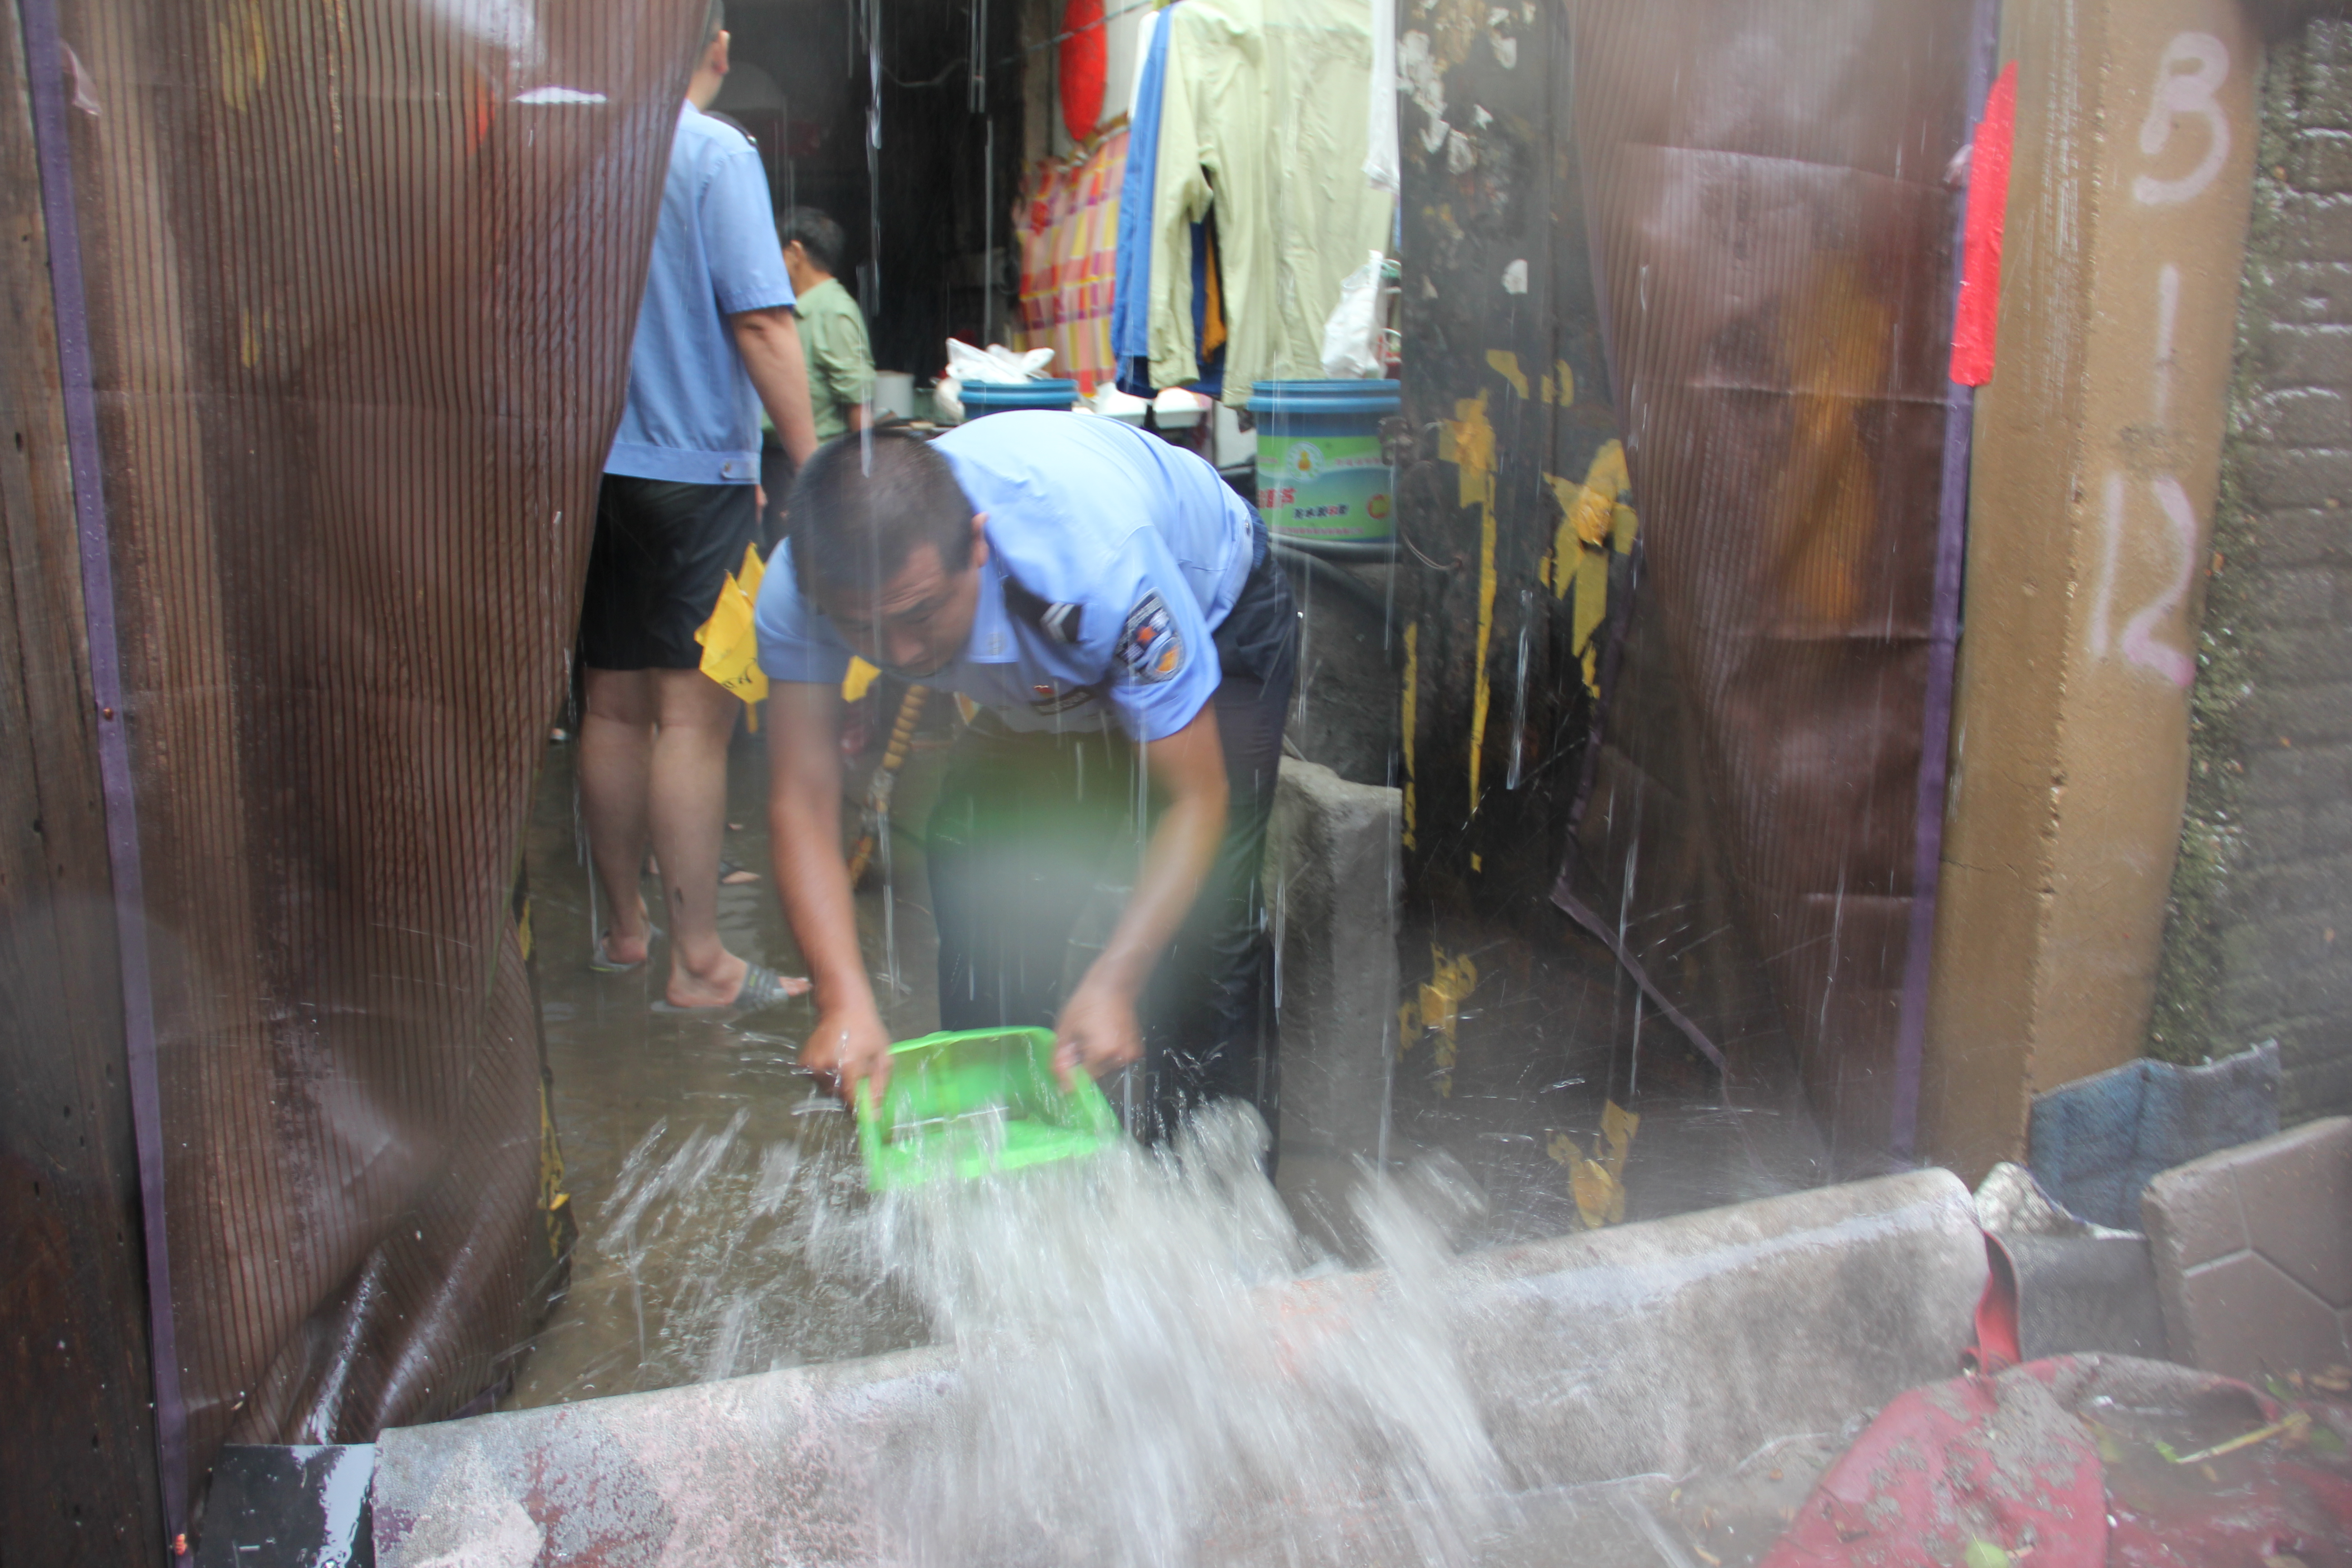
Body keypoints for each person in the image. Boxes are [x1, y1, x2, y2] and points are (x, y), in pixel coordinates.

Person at [755, 415, 1297, 1154]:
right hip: (1039, 660)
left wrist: (1115, 978)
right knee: (980, 874)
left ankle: (1214, 1201)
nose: (904, 655)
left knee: (1200, 935)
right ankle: (1011, 1170)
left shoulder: (1095, 568)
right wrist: (840, 996)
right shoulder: (799, 589)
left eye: (919, 615)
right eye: (865, 630)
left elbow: (1193, 803)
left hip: (1212, 613)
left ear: (976, 544)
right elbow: (802, 800)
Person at [577, 0, 818, 1009]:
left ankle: (626, 934)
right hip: (694, 478)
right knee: (693, 718)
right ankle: (701, 963)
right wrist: (811, 460)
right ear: (713, 48)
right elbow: (761, 322)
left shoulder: (570, 148)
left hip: (588, 474)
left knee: (610, 703)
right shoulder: (713, 153)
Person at [777, 208, 876, 444]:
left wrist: (867, 471)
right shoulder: (796, 310)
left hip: (814, 464)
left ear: (795, 253)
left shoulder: (833, 311)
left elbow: (858, 404)